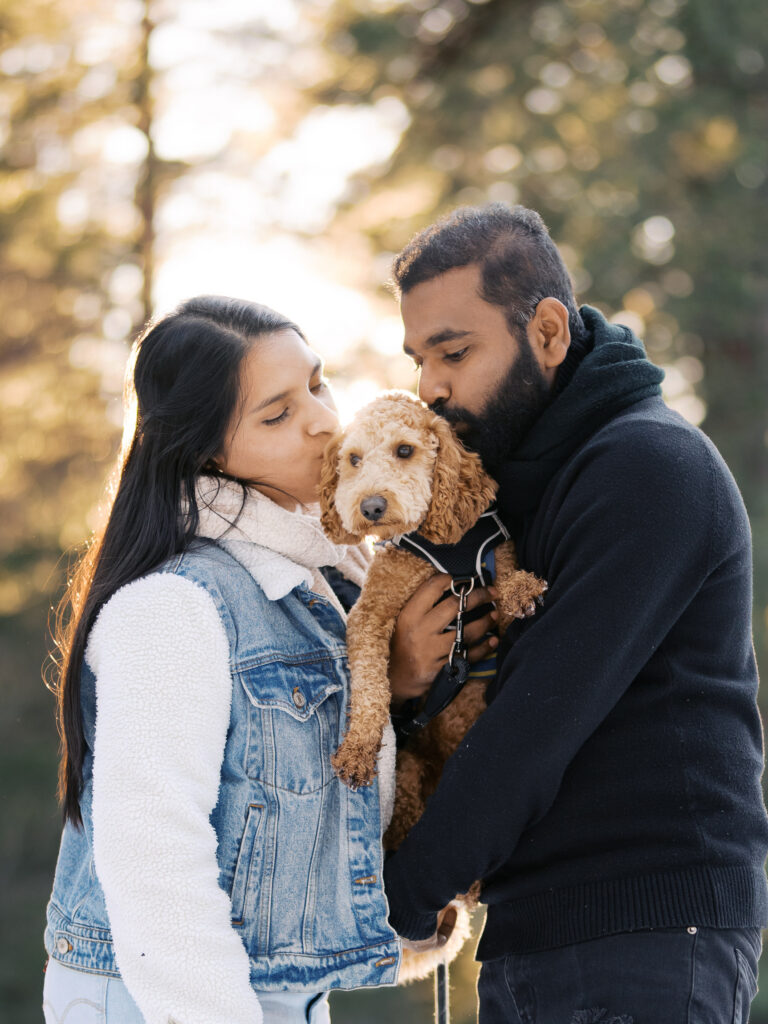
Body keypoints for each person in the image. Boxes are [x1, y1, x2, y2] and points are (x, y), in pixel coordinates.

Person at [42, 295, 494, 1024]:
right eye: (276, 414)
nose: (320, 419)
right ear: (204, 452)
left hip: (274, 986)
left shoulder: (319, 573)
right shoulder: (174, 606)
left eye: (317, 384)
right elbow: (155, 862)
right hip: (162, 996)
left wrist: (402, 691)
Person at [381, 204, 768, 1023]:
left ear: (548, 333)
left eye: (455, 351)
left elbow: (534, 725)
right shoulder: (522, 493)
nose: (430, 386)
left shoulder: (647, 468)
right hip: (547, 931)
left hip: (643, 932)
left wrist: (400, 899)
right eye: (419, 358)